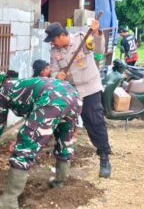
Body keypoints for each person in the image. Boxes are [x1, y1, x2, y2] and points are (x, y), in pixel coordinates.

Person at [0, 72, 80, 209]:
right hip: (72, 95)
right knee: (64, 141)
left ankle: (9, 201)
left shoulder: (3, 92)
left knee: (24, 148)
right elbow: (36, 119)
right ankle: (59, 182)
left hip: (51, 100)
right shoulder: (23, 84)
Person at [44, 20, 112, 178]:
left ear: (62, 35)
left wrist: (97, 33)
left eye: (54, 39)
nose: (53, 43)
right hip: (71, 91)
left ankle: (104, 157)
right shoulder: (55, 51)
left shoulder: (83, 38)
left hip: (90, 88)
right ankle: (63, 159)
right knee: (65, 123)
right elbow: (53, 70)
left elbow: (100, 49)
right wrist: (57, 76)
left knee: (94, 122)